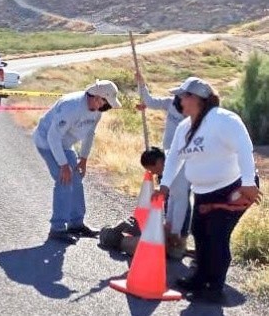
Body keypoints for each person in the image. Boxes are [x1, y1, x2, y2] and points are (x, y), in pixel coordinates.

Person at [155, 77, 262, 303]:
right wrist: (164, 186)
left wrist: (248, 182)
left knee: (216, 236)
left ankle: (215, 287)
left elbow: (244, 147)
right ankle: (200, 277)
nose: (179, 101)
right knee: (200, 233)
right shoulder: (184, 127)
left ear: (197, 99)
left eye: (183, 97)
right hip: (204, 192)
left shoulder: (223, 120)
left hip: (233, 190)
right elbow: (173, 158)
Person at [34, 79, 122, 244]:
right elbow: (53, 137)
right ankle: (57, 228)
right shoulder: (72, 107)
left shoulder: (97, 111)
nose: (107, 108)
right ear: (97, 97)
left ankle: (76, 224)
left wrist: (83, 159)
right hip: (46, 142)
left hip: (65, 144)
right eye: (107, 104)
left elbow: (89, 134)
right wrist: (63, 165)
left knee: (76, 180)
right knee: (64, 180)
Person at [98, 148, 188, 259]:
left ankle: (120, 233)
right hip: (156, 235)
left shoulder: (178, 172)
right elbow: (173, 199)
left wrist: (174, 231)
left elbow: (180, 202)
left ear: (159, 162)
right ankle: (115, 235)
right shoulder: (170, 163)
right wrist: (170, 226)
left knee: (154, 243)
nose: (154, 174)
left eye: (153, 170)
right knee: (147, 245)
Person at [135, 71, 191, 242]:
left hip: (183, 157)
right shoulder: (169, 104)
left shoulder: (192, 115)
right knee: (170, 193)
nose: (176, 99)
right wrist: (141, 84)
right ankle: (170, 227)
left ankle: (178, 233)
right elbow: (150, 101)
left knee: (180, 195)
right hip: (167, 155)